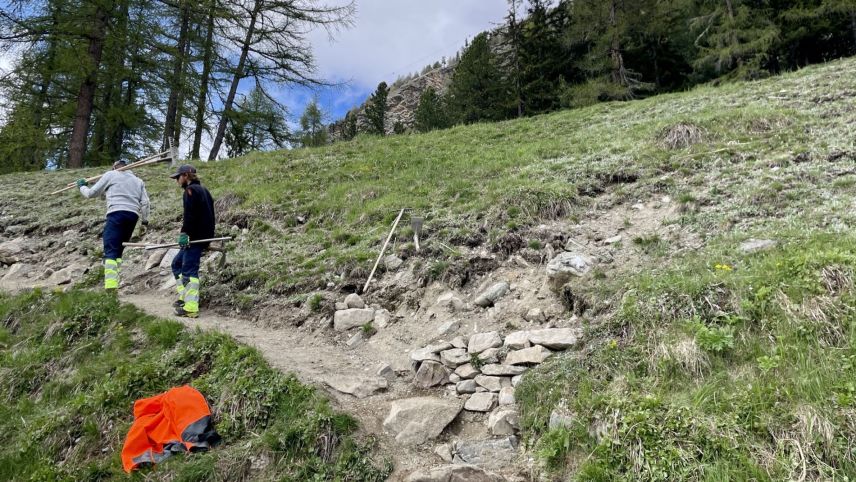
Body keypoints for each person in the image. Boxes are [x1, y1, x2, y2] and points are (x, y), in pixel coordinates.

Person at [77, 160, 150, 291]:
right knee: (118, 250)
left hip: (116, 213)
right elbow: (145, 203)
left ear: (114, 167)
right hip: (133, 216)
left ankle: (110, 287)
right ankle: (115, 281)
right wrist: (145, 221)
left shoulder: (111, 174)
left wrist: (82, 186)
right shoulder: (138, 181)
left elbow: (91, 194)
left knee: (110, 248)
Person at [169, 164, 215, 318]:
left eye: (178, 177)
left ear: (186, 176)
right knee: (176, 264)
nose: (177, 181)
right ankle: (184, 298)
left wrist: (185, 234)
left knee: (189, 270)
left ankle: (191, 307)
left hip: (194, 238)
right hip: (202, 236)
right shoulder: (204, 191)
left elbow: (190, 216)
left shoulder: (190, 191)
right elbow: (210, 216)